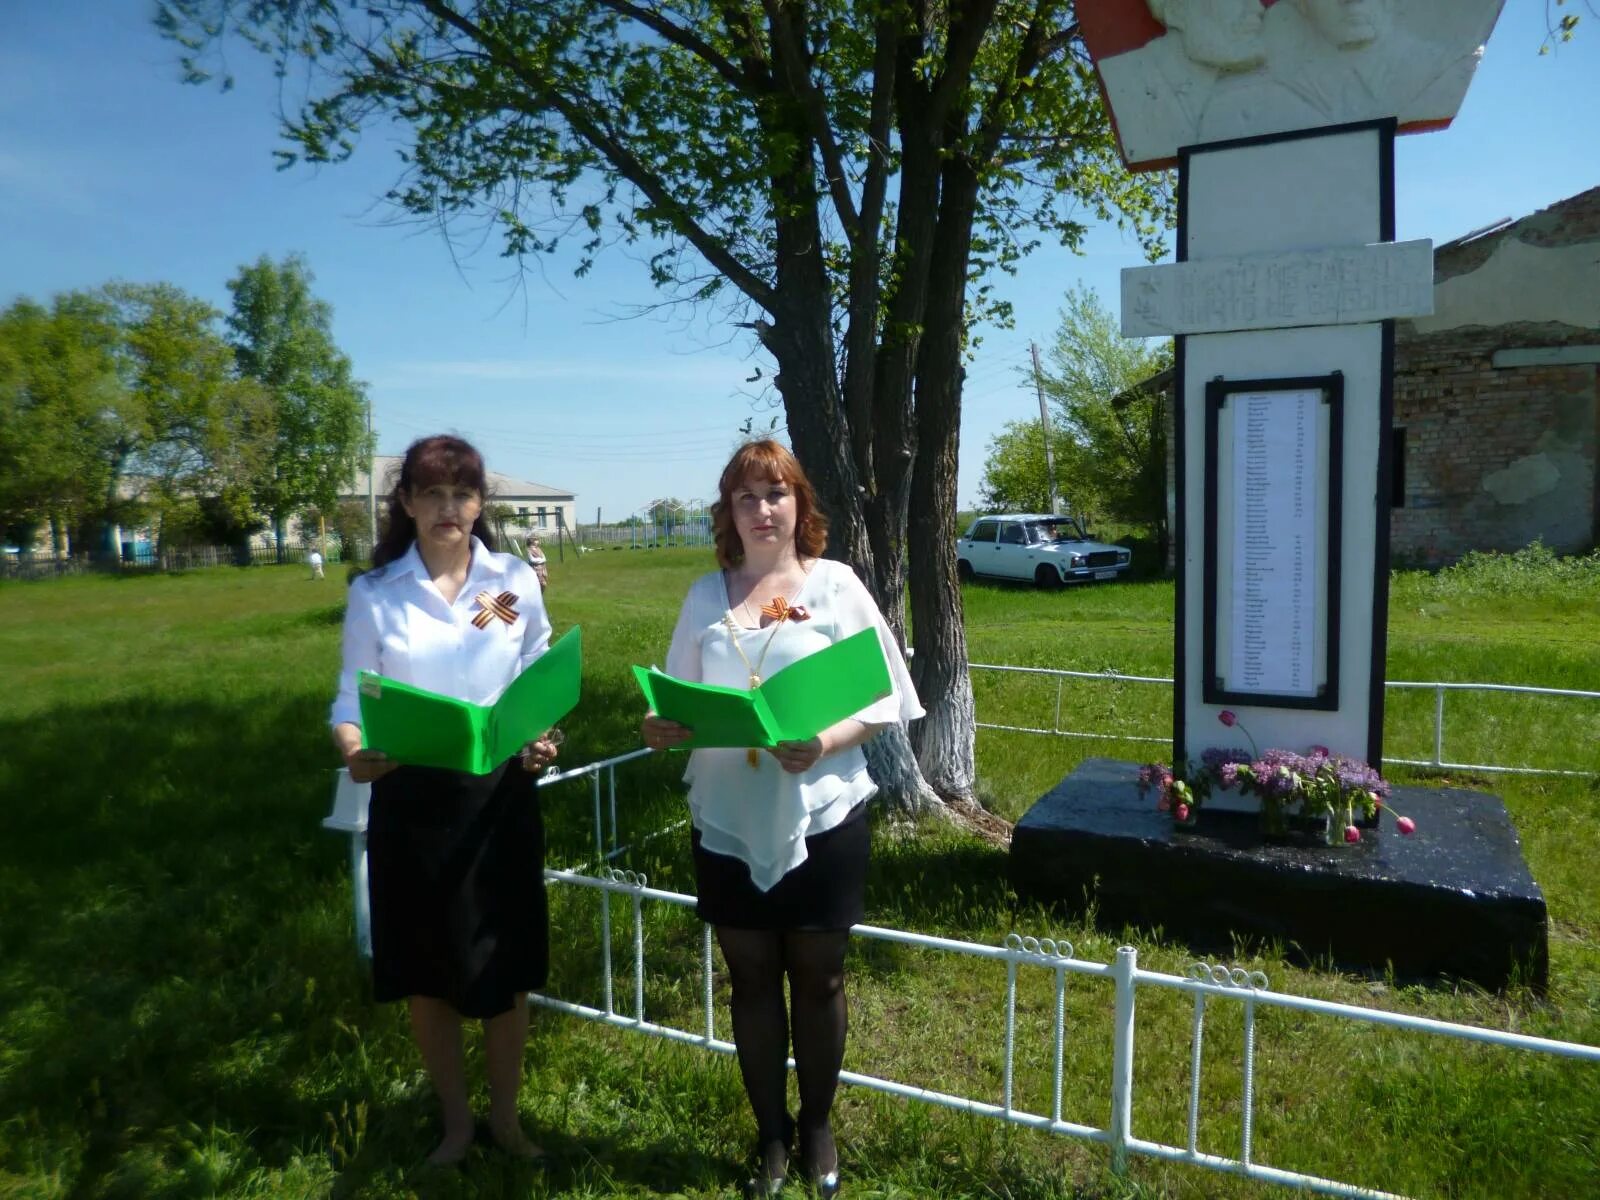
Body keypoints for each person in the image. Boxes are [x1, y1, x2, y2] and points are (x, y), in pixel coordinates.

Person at [639, 440, 923, 1197]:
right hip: (728, 815)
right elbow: (674, 697)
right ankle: (770, 1133)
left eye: (776, 494)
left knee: (820, 978)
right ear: (727, 513)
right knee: (751, 980)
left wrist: (826, 740)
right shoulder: (707, 595)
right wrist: (661, 725)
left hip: (823, 810)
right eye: (746, 497)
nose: (763, 510)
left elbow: (885, 696)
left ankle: (818, 1123)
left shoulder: (836, 586)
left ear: (800, 505)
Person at [331, 434, 560, 1166]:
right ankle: (456, 1122)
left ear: (481, 504)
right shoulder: (375, 595)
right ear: (405, 504)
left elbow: (539, 676)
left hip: (499, 798)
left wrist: (541, 736)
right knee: (426, 970)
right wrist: (353, 750)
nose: (447, 509)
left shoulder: (512, 584)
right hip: (409, 799)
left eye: (461, 494)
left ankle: (506, 1118)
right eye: (431, 495)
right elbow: (350, 698)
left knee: (504, 965)